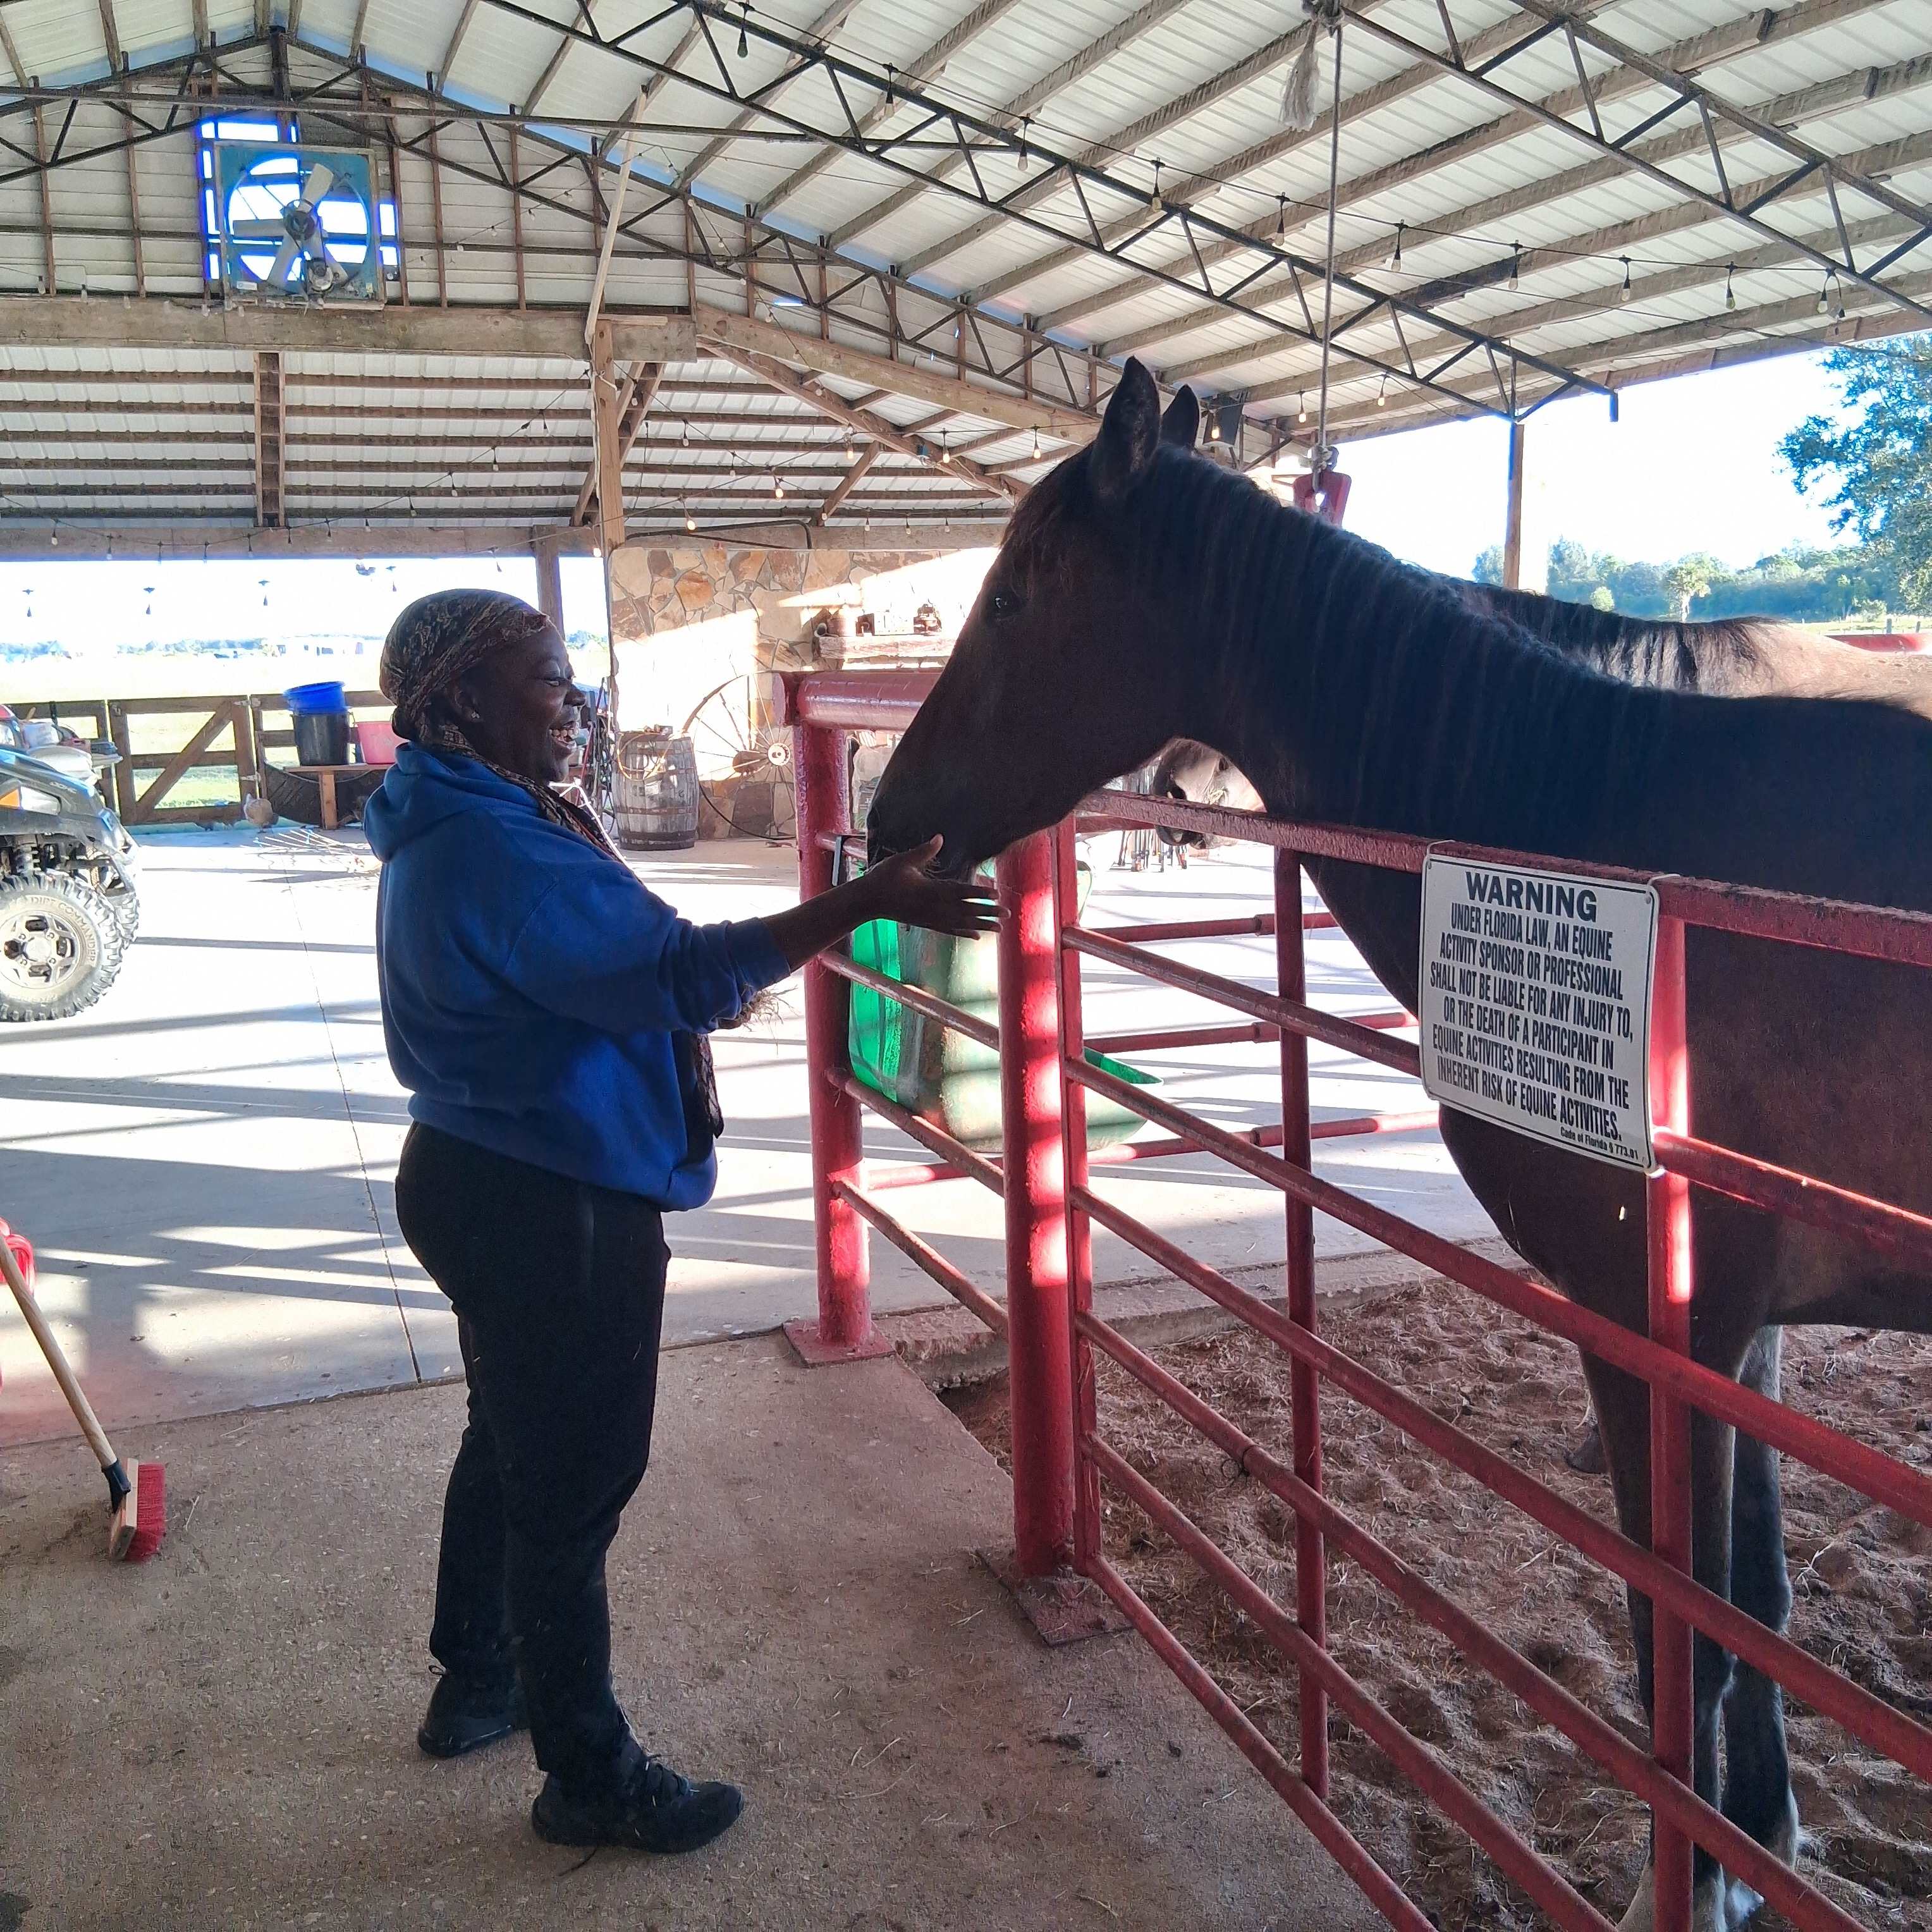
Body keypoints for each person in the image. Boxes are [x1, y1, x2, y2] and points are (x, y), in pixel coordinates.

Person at [363, 589, 992, 1857]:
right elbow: (683, 976)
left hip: (481, 1170)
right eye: (546, 676)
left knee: (512, 1440)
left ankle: (478, 1678)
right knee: (571, 1492)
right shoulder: (497, 848)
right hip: (553, 1200)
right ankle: (586, 1772)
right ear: (464, 703)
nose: (574, 700)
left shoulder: (456, 813)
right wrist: (865, 903)